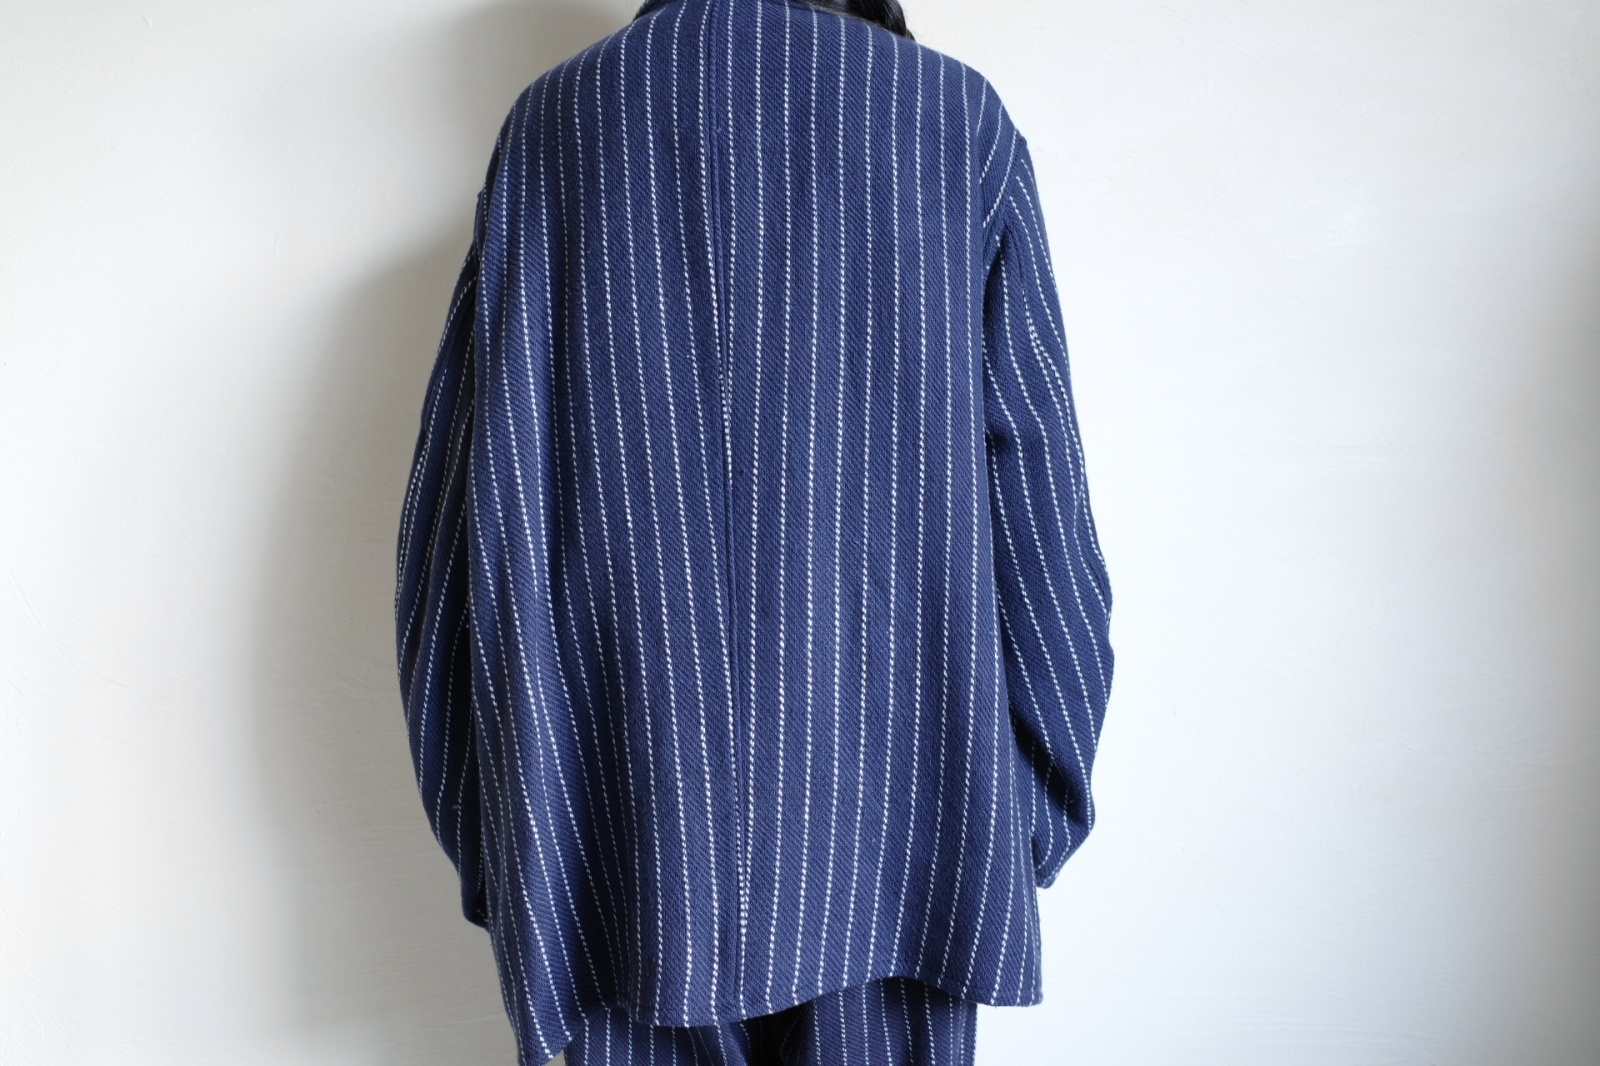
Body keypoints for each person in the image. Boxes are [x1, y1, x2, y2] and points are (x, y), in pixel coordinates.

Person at [393, 0, 1115, 1061]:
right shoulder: (951, 121)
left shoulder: (555, 127)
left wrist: (512, 841)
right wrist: (1017, 822)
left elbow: (454, 530)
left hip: (614, 819)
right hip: (902, 826)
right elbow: (1040, 506)